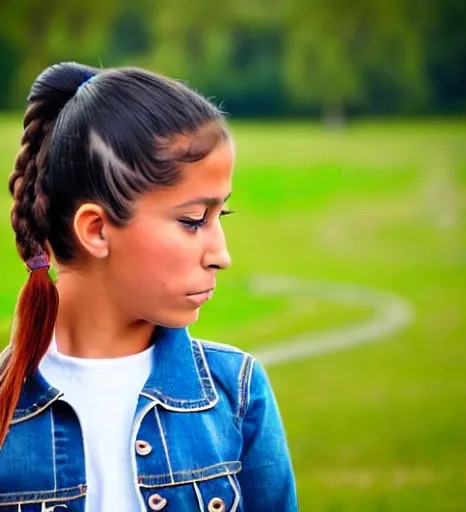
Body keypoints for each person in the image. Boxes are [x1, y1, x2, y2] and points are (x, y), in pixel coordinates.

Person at [0, 62, 297, 512]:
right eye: (193, 220)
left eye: (222, 217)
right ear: (97, 230)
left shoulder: (237, 396)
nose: (222, 255)